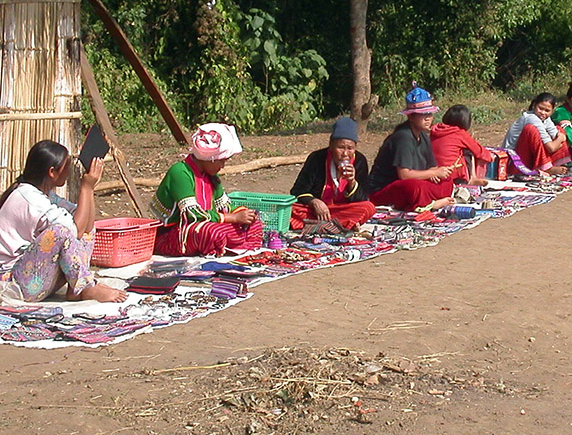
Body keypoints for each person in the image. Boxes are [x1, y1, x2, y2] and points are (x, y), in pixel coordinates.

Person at [0, 140, 126, 303]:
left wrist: (90, 188)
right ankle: (84, 287)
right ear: (52, 172)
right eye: (66, 166)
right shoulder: (29, 198)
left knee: (85, 228)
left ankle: (78, 287)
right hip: (13, 284)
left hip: (33, 279)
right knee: (60, 232)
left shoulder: (44, 195)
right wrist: (86, 187)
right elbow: (75, 230)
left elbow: (85, 225)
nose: (68, 171)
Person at [150, 123, 263, 256]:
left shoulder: (212, 177)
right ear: (211, 158)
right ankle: (222, 246)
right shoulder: (180, 172)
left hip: (206, 225)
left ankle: (230, 247)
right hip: (175, 233)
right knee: (213, 233)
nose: (222, 166)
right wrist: (234, 218)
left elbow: (225, 208)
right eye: (222, 161)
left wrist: (244, 213)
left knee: (254, 225)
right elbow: (194, 215)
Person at [367, 83, 456, 211]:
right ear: (411, 117)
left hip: (414, 181)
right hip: (386, 189)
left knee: (446, 181)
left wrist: (437, 173)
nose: (428, 119)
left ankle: (427, 202)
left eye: (429, 114)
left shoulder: (424, 136)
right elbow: (404, 175)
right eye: (423, 115)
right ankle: (429, 204)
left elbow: (432, 167)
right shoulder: (403, 137)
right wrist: (433, 172)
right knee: (414, 188)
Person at [289, 117, 376, 230]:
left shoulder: (359, 161)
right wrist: (314, 202)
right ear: (331, 145)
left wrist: (352, 182)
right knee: (290, 209)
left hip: (342, 209)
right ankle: (343, 224)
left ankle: (324, 224)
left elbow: (363, 198)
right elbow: (297, 191)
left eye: (350, 148)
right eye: (340, 147)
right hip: (317, 211)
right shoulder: (317, 158)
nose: (345, 153)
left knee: (368, 208)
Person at [502, 92, 570, 175]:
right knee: (530, 129)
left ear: (552, 111)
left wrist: (559, 139)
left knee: (559, 129)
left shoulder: (545, 119)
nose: (543, 113)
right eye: (540, 108)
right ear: (534, 105)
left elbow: (555, 135)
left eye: (547, 110)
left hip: (530, 157)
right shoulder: (531, 118)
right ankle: (546, 168)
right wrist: (559, 139)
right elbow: (551, 147)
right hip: (515, 162)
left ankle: (555, 163)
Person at [430, 104, 493, 185]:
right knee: (469, 151)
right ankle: (472, 178)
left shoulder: (435, 131)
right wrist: (490, 156)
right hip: (453, 176)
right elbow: (478, 151)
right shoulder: (459, 134)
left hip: (434, 172)